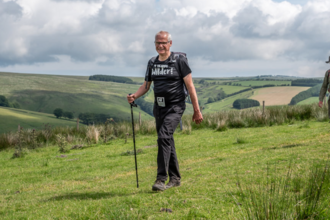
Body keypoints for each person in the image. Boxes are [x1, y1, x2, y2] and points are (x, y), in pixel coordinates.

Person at [127, 31, 203, 191]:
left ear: (170, 43)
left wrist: (197, 110)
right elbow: (146, 86)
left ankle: (161, 179)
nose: (160, 46)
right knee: (167, 140)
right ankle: (175, 179)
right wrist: (135, 95)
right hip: (159, 108)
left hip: (175, 106)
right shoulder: (152, 62)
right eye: (157, 43)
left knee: (163, 137)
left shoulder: (179, 60)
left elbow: (190, 86)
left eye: (163, 42)